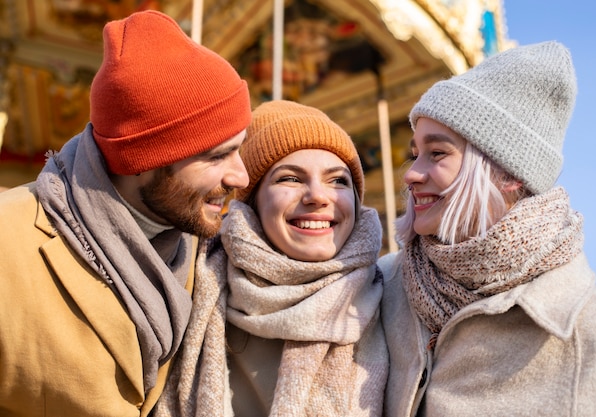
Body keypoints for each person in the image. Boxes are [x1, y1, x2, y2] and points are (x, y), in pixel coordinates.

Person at [0, 10, 251, 417]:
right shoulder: (7, 243)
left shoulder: (198, 248)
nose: (240, 175)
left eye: (239, 148)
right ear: (144, 158)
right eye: (217, 155)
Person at [379, 41, 596, 416]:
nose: (411, 174)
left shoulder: (588, 332)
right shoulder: (382, 288)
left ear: (507, 174)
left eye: (438, 153)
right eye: (415, 154)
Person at [155, 100, 388, 417]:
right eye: (290, 178)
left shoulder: (396, 296)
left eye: (338, 180)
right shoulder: (189, 280)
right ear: (251, 202)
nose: (318, 196)